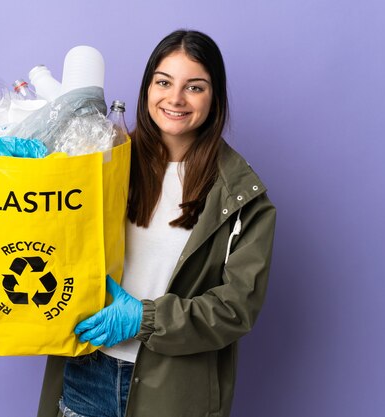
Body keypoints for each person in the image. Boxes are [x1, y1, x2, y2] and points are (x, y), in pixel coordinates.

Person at [37, 29, 276, 417]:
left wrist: (145, 319)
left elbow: (237, 308)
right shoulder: (99, 164)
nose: (175, 98)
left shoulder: (241, 197)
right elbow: (44, 240)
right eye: (164, 82)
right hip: (87, 370)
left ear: (214, 99)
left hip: (175, 389)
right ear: (148, 87)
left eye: (194, 87)